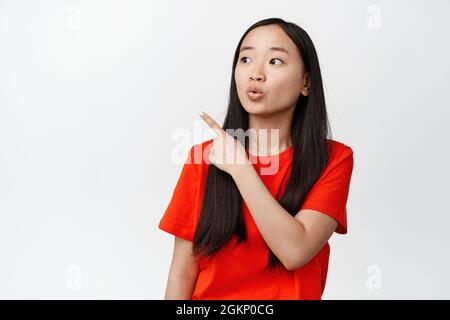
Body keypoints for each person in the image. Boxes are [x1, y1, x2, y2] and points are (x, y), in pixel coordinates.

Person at [158, 17, 354, 300]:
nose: (255, 74)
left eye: (275, 62)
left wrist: (241, 169)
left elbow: (295, 251)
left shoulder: (334, 159)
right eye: (246, 59)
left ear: (306, 83)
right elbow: (182, 272)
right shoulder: (204, 157)